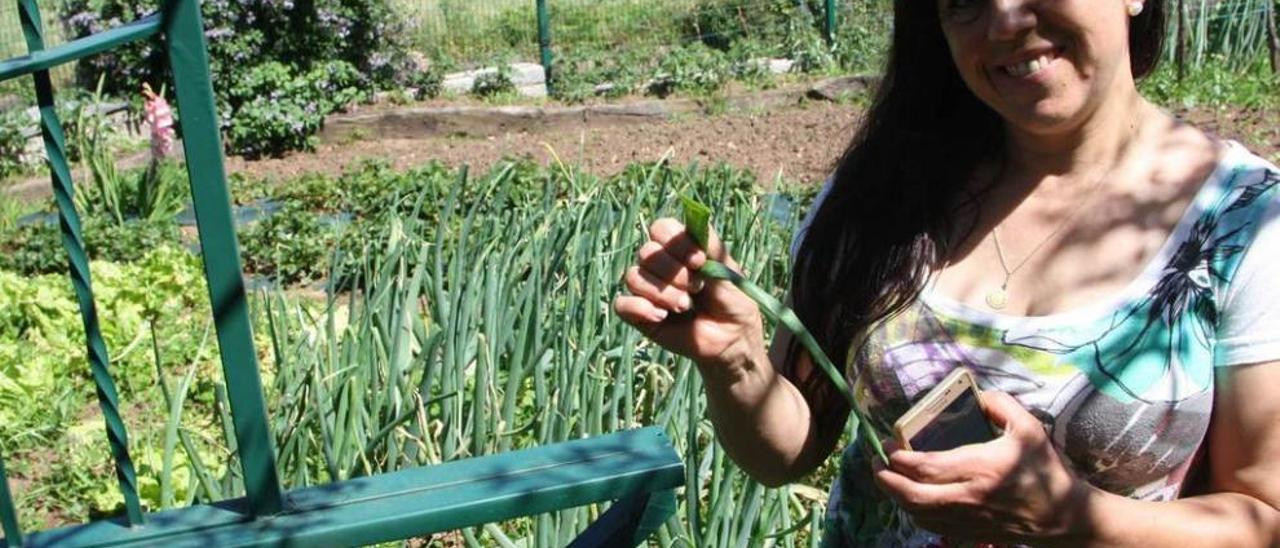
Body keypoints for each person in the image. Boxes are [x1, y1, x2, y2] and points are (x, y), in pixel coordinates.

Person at [614, 0, 1280, 546]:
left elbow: (1264, 518)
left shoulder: (1245, 225)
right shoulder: (885, 193)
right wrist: (735, 360)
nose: (1004, 21)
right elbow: (785, 452)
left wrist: (1073, 517)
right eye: (963, 1)